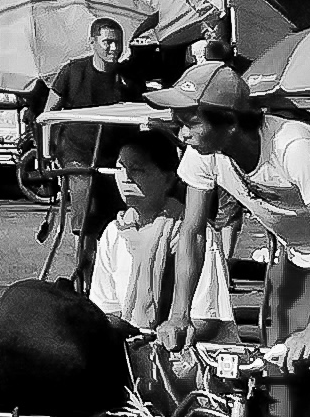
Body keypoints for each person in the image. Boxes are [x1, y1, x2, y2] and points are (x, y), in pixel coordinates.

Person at [152, 61, 310, 417]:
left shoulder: (292, 146)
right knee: (278, 382)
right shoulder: (203, 154)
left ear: (230, 123)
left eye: (190, 122)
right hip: (294, 251)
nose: (182, 133)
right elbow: (193, 231)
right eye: (178, 122)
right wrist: (179, 314)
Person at [88, 128, 238, 343]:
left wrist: (161, 337)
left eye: (138, 170)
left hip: (190, 353)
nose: (126, 178)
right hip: (133, 348)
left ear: (168, 179)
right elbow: (106, 309)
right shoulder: (114, 232)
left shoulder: (196, 235)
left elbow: (206, 320)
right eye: (120, 168)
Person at [39, 18, 140, 286]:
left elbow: (138, 119)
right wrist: (48, 152)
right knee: (87, 216)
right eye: (107, 42)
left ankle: (112, 283)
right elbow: (49, 113)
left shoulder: (128, 79)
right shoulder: (73, 72)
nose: (113, 48)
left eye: (118, 42)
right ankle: (84, 279)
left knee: (119, 218)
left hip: (114, 157)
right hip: (78, 153)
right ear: (92, 42)